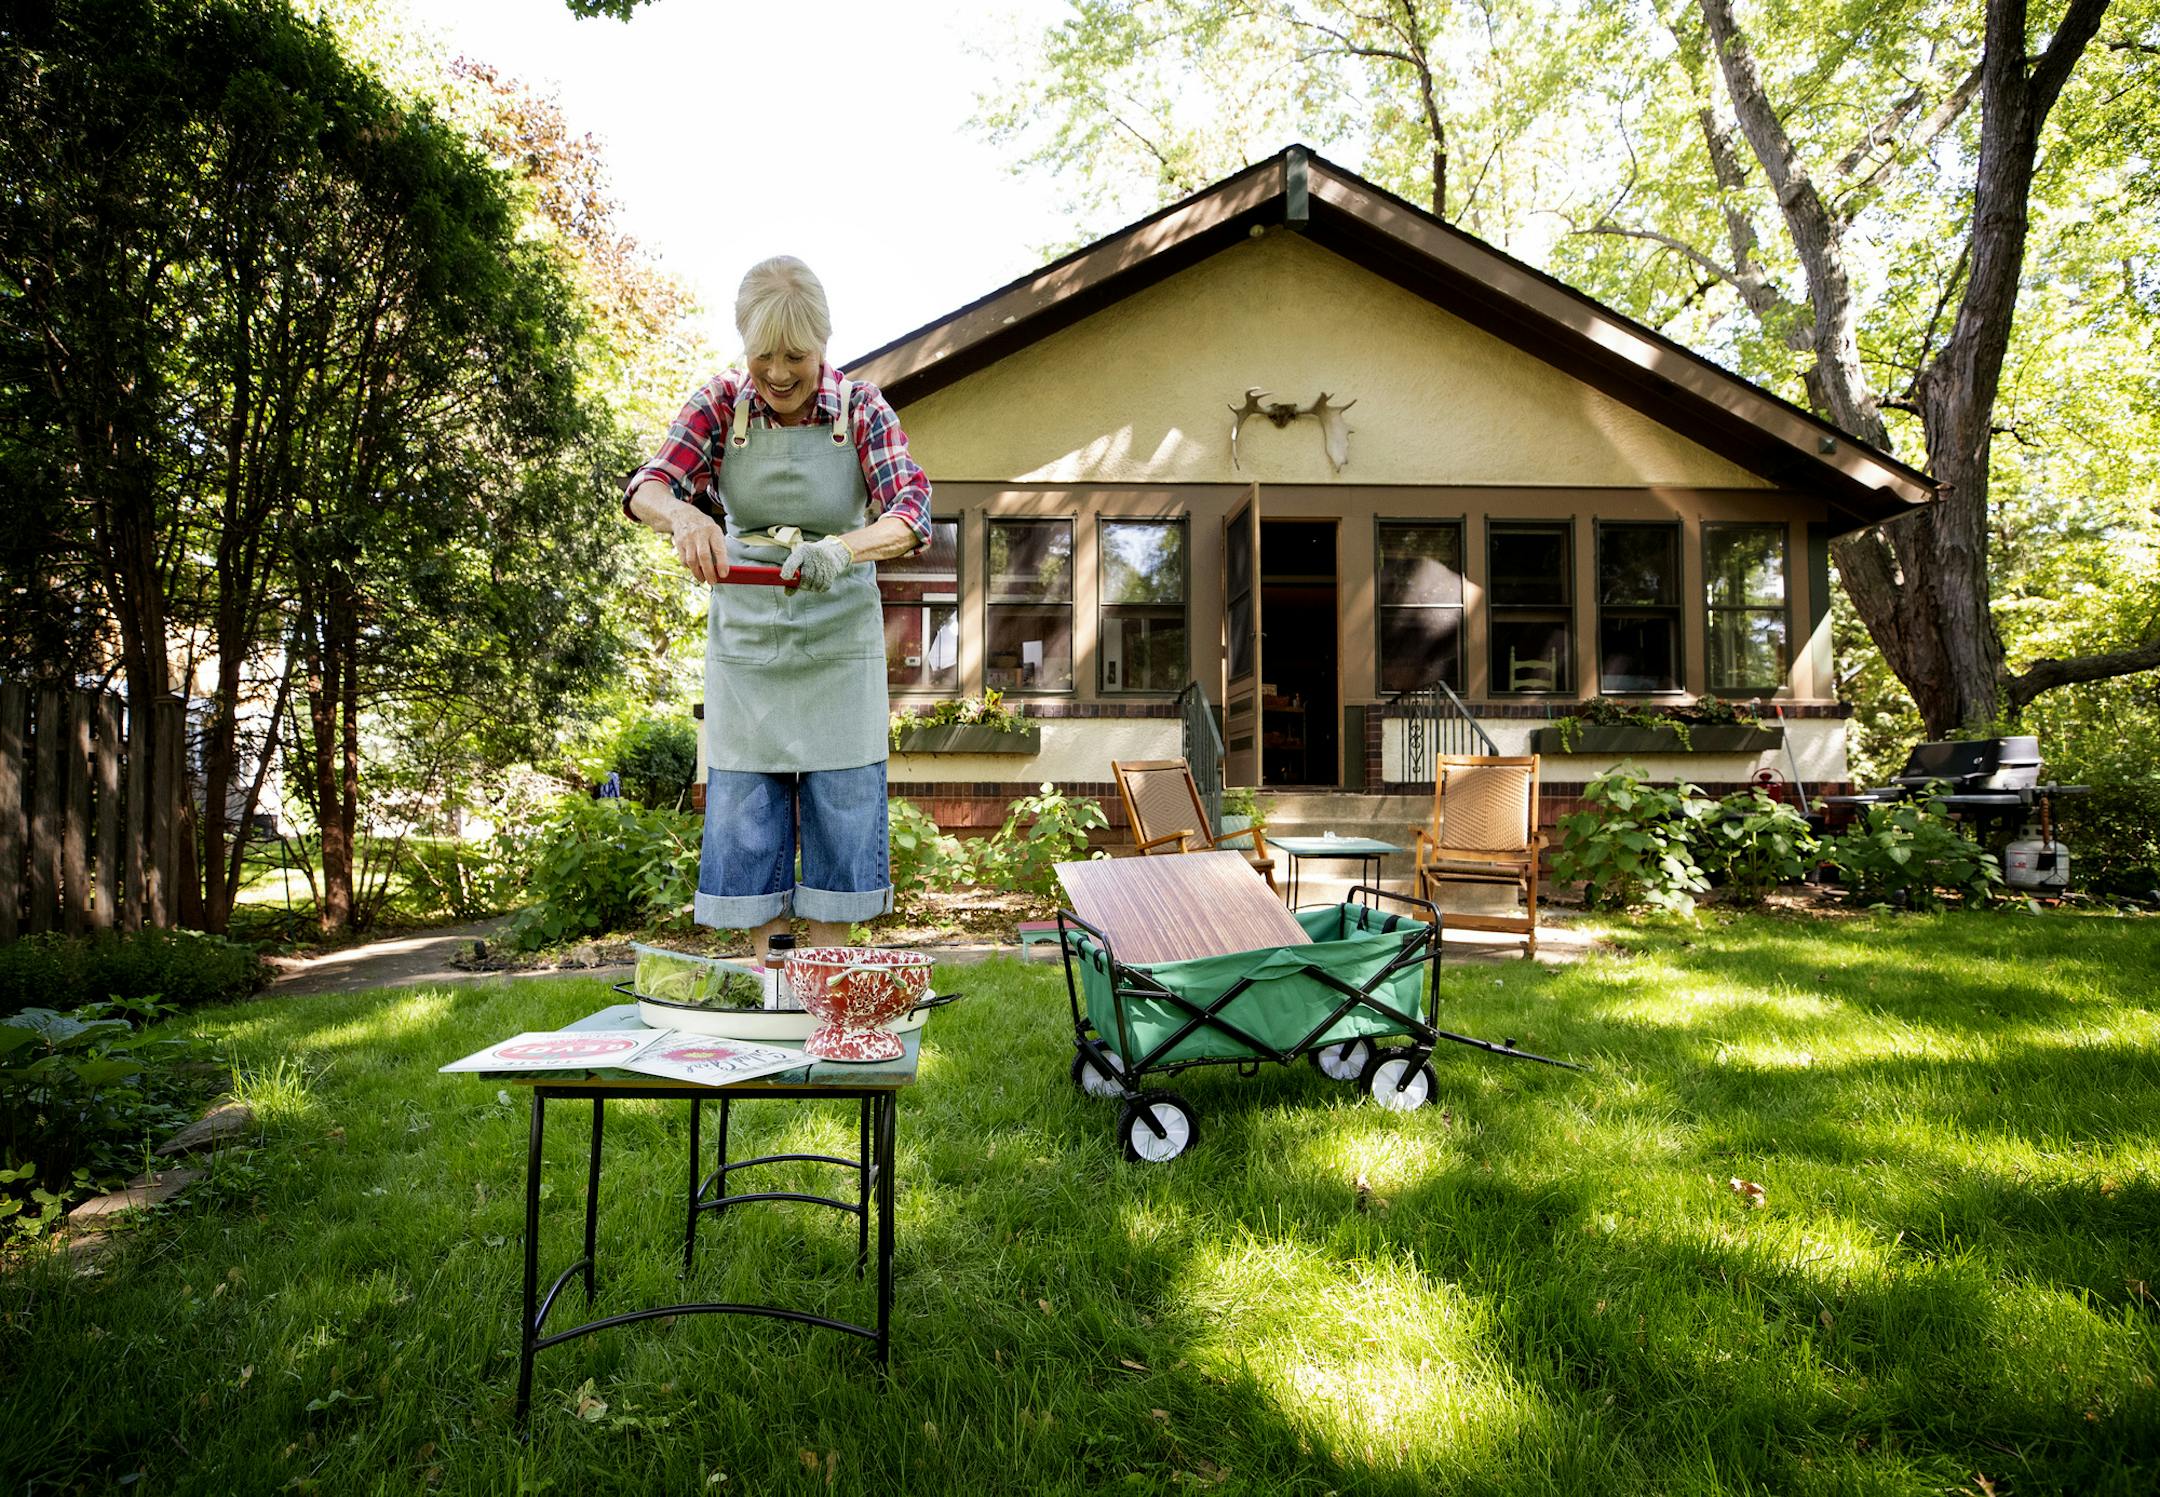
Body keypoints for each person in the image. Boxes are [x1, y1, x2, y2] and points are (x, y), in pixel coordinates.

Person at [623, 257, 930, 958]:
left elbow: (912, 511)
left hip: (837, 642)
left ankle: (827, 991)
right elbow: (648, 485)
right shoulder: (720, 403)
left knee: (842, 816)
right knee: (750, 817)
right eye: (765, 356)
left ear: (823, 344)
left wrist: (845, 549)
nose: (780, 372)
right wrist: (685, 518)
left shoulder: (861, 408)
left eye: (796, 355)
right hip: (750, 648)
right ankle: (771, 987)